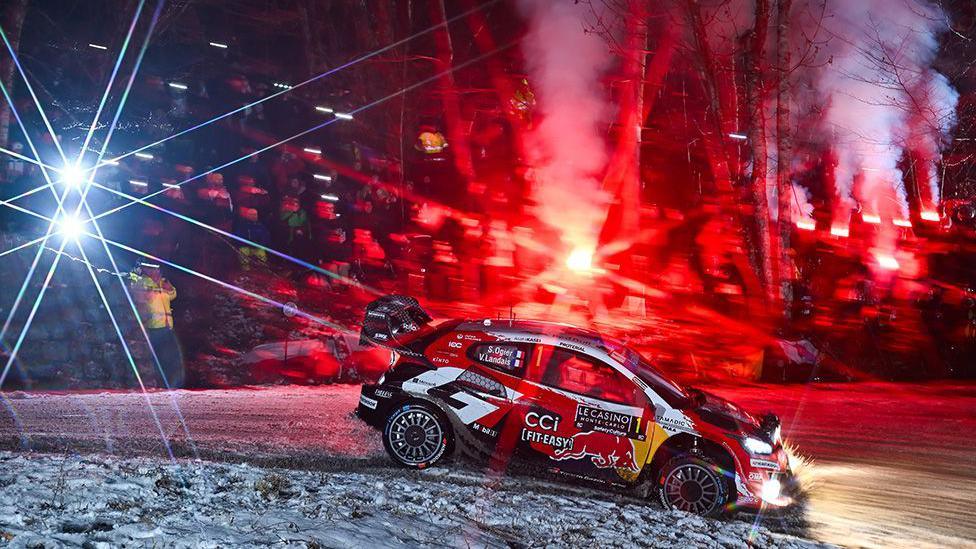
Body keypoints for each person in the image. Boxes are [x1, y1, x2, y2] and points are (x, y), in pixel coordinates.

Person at [129, 263, 184, 388]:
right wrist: (150, 291)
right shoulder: (143, 282)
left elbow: (172, 295)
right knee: (158, 356)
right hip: (154, 326)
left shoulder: (162, 282)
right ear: (147, 270)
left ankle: (170, 384)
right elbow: (140, 297)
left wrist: (168, 287)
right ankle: (159, 383)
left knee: (170, 356)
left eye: (158, 270)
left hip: (167, 326)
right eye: (154, 270)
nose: (157, 272)